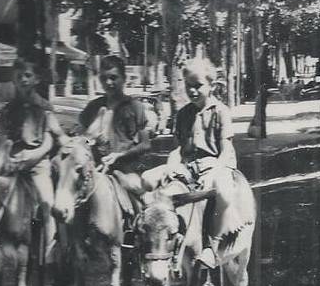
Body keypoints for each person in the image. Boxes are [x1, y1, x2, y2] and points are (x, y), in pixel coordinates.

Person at [144, 56, 243, 274]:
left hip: (215, 163)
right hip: (188, 165)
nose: (193, 91)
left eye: (198, 86)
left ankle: (211, 244)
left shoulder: (220, 112)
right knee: (147, 180)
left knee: (221, 192)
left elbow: (226, 149)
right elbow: (178, 148)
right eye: (189, 86)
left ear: (211, 86)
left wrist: (217, 169)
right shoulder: (183, 114)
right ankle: (156, 238)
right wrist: (173, 163)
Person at [0, 56, 65, 257]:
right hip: (12, 164)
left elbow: (49, 141)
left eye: (28, 76)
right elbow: (2, 142)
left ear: (36, 80)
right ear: (14, 80)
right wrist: (1, 163)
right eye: (19, 76)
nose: (23, 80)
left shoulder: (44, 108)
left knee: (47, 201)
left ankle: (51, 249)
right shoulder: (8, 110)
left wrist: (33, 156)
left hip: (36, 165)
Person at [77, 55, 153, 230]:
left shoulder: (135, 107)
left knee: (141, 201)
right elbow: (82, 138)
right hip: (94, 169)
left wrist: (119, 155)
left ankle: (138, 236)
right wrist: (91, 140)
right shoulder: (93, 107)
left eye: (113, 77)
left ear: (124, 79)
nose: (108, 83)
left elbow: (145, 144)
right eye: (104, 78)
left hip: (124, 170)